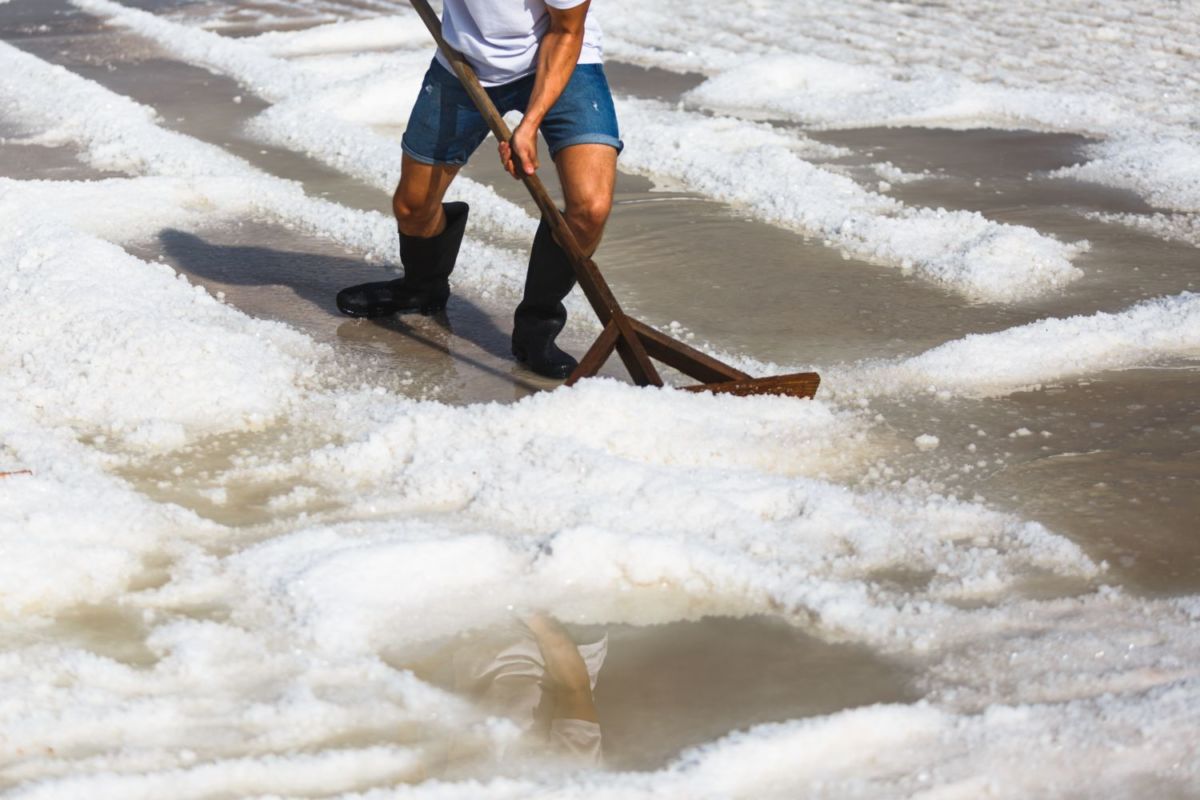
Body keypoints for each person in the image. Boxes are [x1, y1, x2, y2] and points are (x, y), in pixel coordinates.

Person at [334, 0, 621, 379]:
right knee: (413, 206)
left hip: (562, 58)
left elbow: (566, 29)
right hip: (465, 61)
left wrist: (530, 124)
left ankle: (537, 326)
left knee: (590, 208)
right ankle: (422, 289)